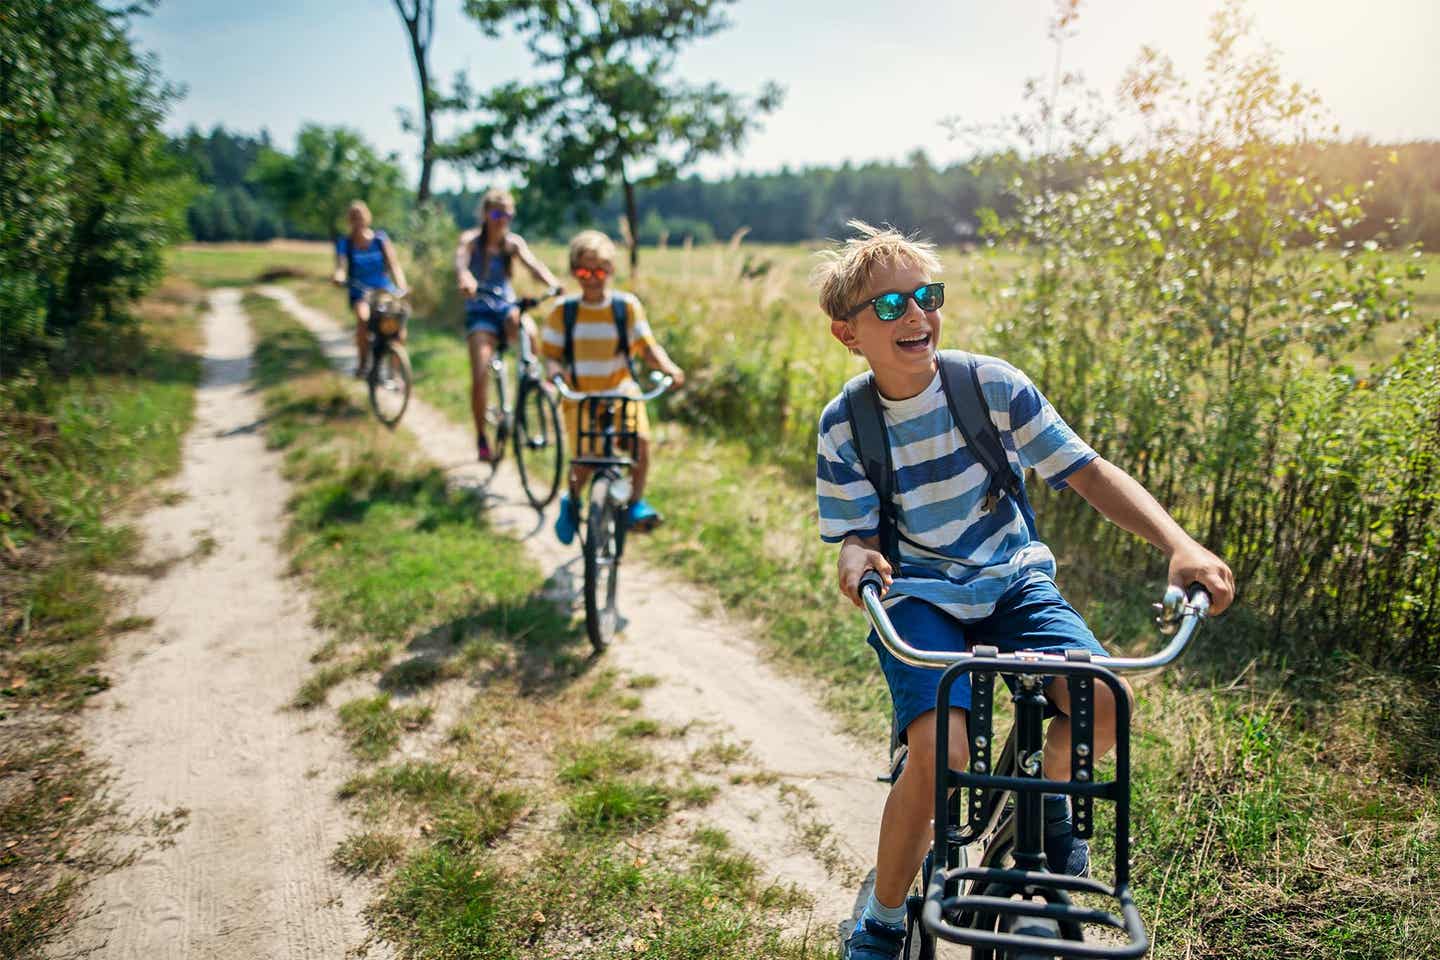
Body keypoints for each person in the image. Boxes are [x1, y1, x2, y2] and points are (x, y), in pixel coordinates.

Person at [812, 222, 1235, 960]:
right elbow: (857, 540)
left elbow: (1088, 471)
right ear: (849, 334)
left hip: (1013, 581)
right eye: (891, 306)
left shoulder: (991, 386)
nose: (917, 316)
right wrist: (856, 564)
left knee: (1106, 705)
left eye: (926, 295)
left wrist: (1180, 544)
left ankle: (1040, 816)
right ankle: (881, 919)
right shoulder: (846, 424)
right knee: (940, 747)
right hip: (921, 593)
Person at [540, 229, 685, 542]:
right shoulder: (563, 312)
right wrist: (554, 374)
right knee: (584, 460)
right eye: (583, 271)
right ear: (574, 272)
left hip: (621, 392)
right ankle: (573, 501)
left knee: (640, 446)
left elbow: (647, 348)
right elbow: (550, 355)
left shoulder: (626, 307)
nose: (592, 278)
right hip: (580, 396)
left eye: (600, 271)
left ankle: (635, 503)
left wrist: (670, 369)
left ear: (611, 270)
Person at [454, 188, 564, 462]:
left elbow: (534, 266)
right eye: (496, 213)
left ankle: (533, 380)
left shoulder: (512, 244)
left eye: (507, 214)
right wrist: (466, 280)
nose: (502, 219)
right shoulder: (471, 241)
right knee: (480, 369)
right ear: (485, 214)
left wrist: (552, 283)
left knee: (529, 328)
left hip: (505, 307)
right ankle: (481, 437)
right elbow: (461, 264)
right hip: (480, 310)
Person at [333, 200, 408, 378]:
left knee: (397, 324)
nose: (358, 222)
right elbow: (342, 266)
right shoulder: (346, 243)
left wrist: (402, 287)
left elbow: (394, 266)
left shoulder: (380, 239)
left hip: (383, 291)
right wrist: (339, 276)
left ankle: (395, 373)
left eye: (361, 217)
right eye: (354, 218)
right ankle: (363, 364)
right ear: (349, 221)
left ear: (367, 218)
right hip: (360, 292)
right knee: (363, 318)